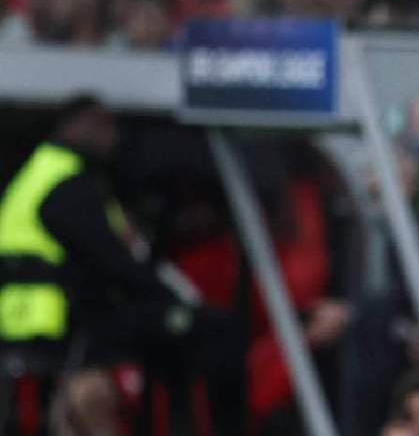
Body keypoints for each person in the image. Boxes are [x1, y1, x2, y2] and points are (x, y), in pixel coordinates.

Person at [0, 96, 245, 434]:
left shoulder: (42, 171)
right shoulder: (67, 182)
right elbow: (113, 262)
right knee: (212, 330)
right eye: (110, 128)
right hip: (58, 320)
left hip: (34, 314)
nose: (115, 140)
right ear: (90, 123)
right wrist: (167, 298)